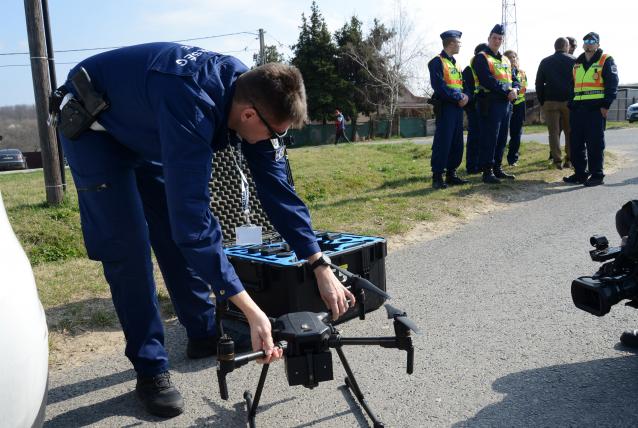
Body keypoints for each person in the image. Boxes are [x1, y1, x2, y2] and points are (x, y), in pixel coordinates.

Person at [54, 42, 355, 418]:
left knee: (170, 227)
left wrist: (318, 262)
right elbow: (194, 225)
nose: (271, 141)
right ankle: (151, 369)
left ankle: (202, 331)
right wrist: (248, 308)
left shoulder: (255, 90)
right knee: (129, 248)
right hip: (93, 124)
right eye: (272, 133)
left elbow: (278, 191)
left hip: (147, 123)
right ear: (248, 115)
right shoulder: (192, 105)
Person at [563, 32, 618, 186]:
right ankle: (580, 173)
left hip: (595, 110)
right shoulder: (577, 62)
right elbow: (571, 85)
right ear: (583, 44)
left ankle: (597, 175)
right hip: (577, 110)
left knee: (595, 143)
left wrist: (606, 105)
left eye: (592, 41)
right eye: (586, 40)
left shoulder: (606, 60)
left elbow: (612, 84)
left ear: (598, 44)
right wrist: (571, 104)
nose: (588, 43)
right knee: (576, 143)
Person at [473, 24, 520, 184]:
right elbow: (488, 80)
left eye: (500, 38)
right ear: (488, 38)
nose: (497, 41)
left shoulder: (506, 59)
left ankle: (498, 168)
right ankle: (487, 171)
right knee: (490, 137)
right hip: (490, 102)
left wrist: (516, 89)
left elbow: (514, 78)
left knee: (502, 137)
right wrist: (507, 91)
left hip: (506, 104)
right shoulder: (482, 57)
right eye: (494, 38)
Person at [427, 30, 470, 189]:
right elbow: (439, 86)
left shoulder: (456, 63)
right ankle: (437, 176)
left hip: (458, 108)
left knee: (456, 142)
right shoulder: (436, 62)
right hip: (446, 107)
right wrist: (458, 97)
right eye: (459, 43)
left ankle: (452, 174)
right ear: (452, 43)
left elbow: (463, 85)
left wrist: (466, 96)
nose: (460, 45)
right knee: (443, 141)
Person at [536, 37, 575, 169]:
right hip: (569, 101)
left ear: (555, 46)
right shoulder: (574, 61)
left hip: (550, 101)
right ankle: (569, 159)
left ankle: (557, 160)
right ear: (566, 46)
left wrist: (542, 100)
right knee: (570, 131)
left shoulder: (545, 61)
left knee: (553, 132)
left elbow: (539, 83)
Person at [462, 43, 487, 175]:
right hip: (473, 108)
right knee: (474, 137)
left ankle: (482, 164)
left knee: (484, 137)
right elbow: (467, 90)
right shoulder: (468, 70)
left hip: (485, 108)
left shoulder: (487, 69)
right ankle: (472, 166)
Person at [503, 50, 527, 166]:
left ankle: (513, 159)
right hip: (506, 105)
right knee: (501, 134)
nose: (513, 59)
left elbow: (524, 89)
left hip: (519, 105)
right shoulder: (503, 71)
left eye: (514, 57)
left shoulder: (522, 73)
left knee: (516, 134)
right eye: (510, 57)